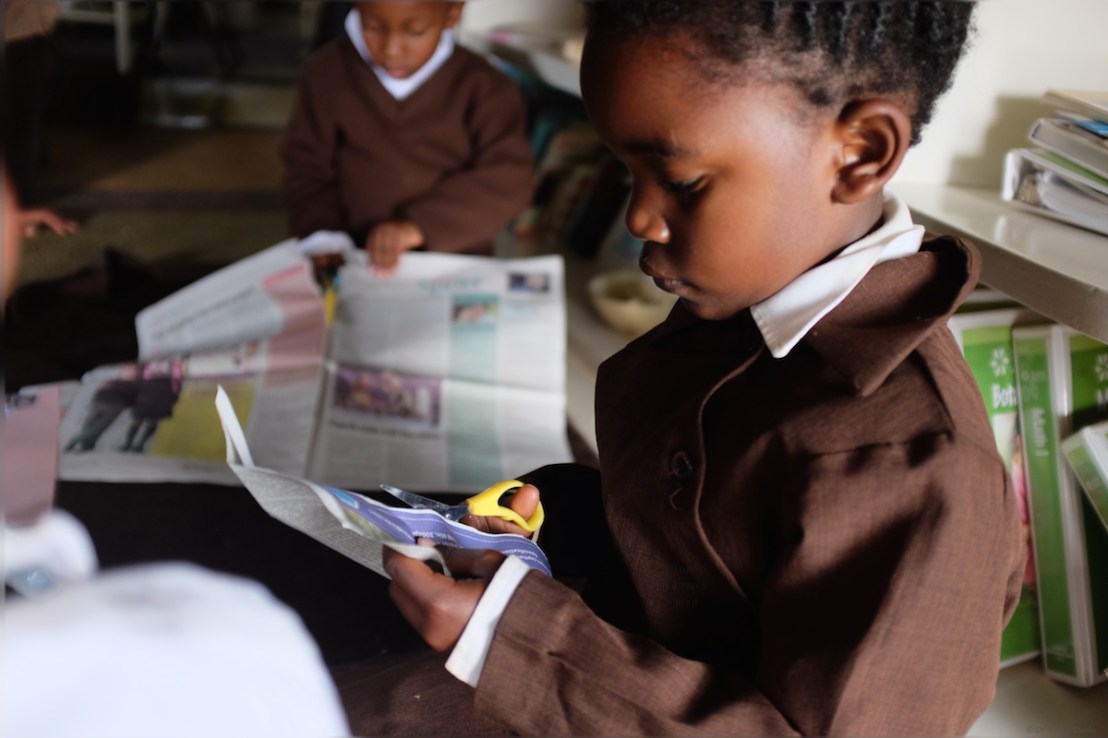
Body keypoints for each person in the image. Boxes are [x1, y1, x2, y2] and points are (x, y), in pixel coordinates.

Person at [357, 1, 1028, 736]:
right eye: (625, 172)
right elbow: (696, 550)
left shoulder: (916, 465)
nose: (638, 219)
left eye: (679, 182)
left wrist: (506, 637)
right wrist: (555, 519)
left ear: (861, 151)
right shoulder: (756, 299)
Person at [280, 1, 534, 277]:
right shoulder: (326, 73)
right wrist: (322, 235)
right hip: (353, 259)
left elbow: (510, 178)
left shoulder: (485, 87)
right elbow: (305, 167)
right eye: (373, 27)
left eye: (415, 31)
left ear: (453, 14)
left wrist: (417, 227)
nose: (391, 50)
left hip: (453, 262)